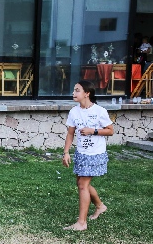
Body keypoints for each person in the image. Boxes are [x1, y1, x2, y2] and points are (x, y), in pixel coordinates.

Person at [62, 80, 114, 231]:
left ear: (87, 93)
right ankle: (100, 206)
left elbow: (110, 130)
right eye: (74, 90)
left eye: (77, 90)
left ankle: (82, 223)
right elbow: (70, 134)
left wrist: (93, 131)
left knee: (82, 185)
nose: (74, 93)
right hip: (81, 153)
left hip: (95, 154)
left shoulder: (99, 111)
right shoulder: (74, 111)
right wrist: (66, 152)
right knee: (81, 182)